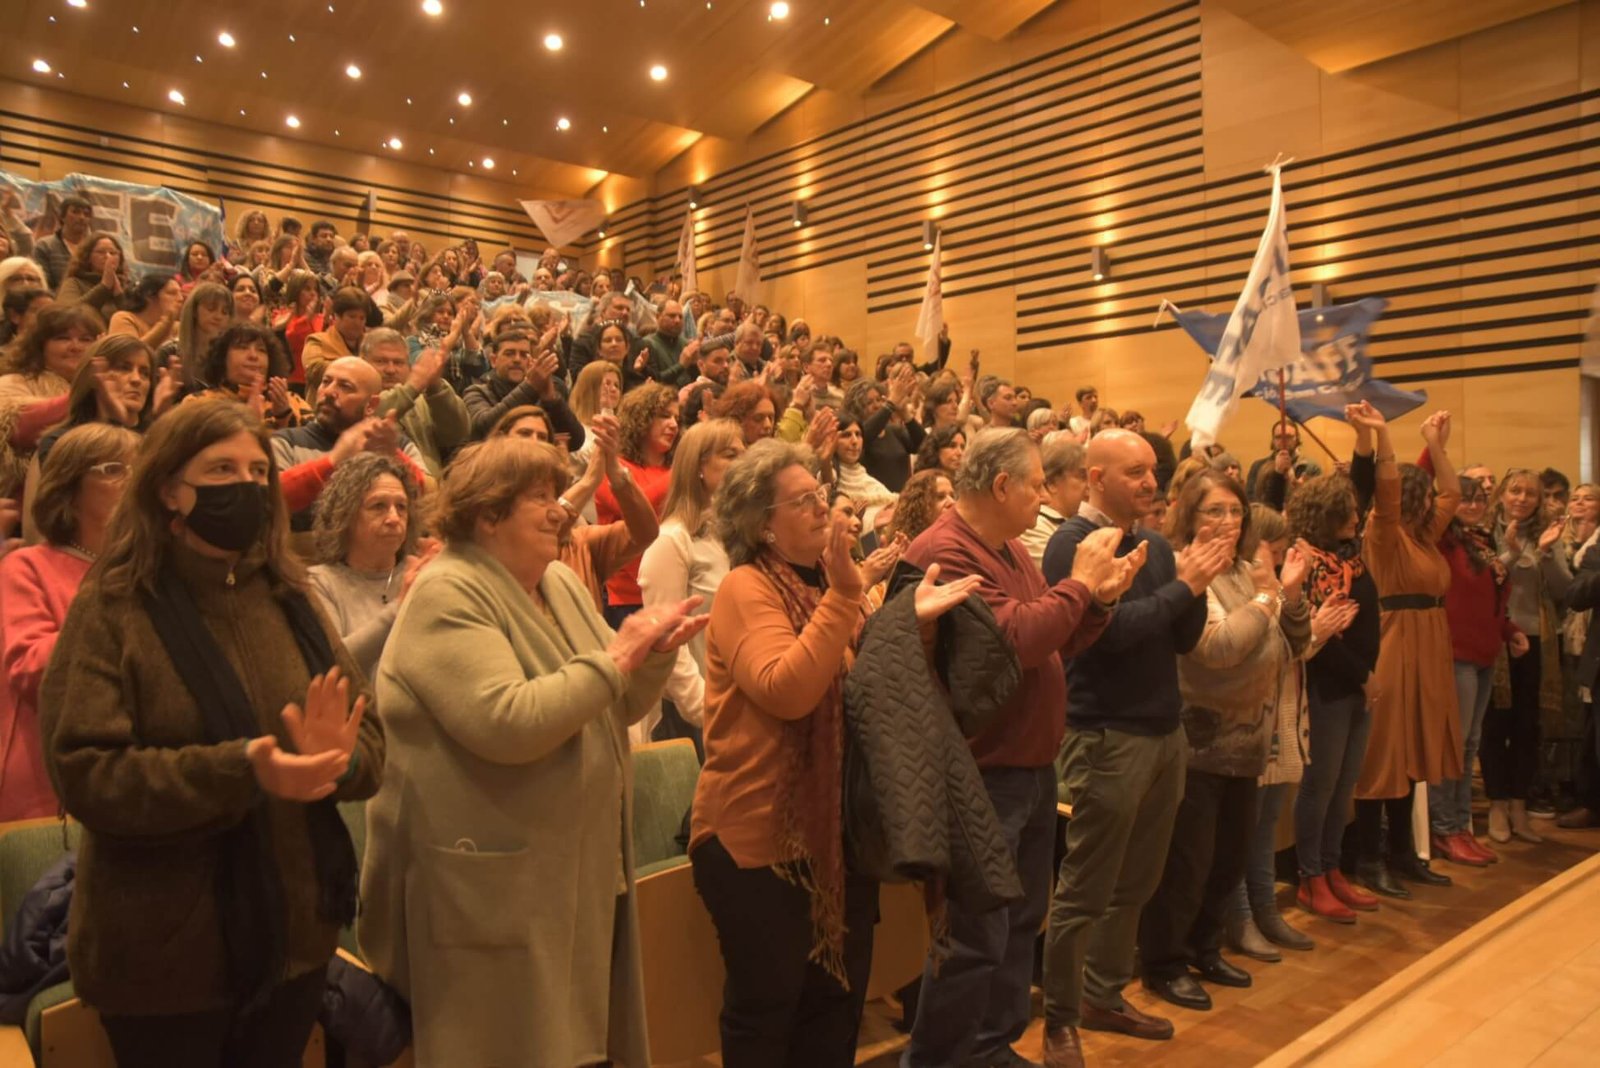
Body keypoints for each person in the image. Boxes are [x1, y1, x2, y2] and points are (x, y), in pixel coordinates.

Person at [39, 400, 382, 1066]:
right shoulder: (115, 602)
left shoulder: (290, 595)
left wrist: (335, 765)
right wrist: (245, 769)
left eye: (259, 470)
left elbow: (368, 739)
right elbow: (86, 771)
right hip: (165, 959)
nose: (248, 485)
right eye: (221, 467)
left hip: (295, 938)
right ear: (169, 487)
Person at [358, 435, 701, 1066]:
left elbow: (616, 701)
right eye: (539, 498)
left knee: (579, 1047)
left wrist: (651, 655)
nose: (560, 511)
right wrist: (620, 657)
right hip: (486, 887)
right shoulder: (447, 593)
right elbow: (508, 721)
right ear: (487, 515)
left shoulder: (559, 585)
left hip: (571, 873)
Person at [693, 437, 981, 1066]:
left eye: (821, 494)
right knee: (769, 1012)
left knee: (835, 1005)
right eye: (803, 501)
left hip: (831, 835)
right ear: (762, 525)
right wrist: (850, 597)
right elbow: (789, 690)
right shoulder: (746, 588)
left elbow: (867, 678)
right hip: (759, 840)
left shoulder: (825, 580)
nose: (823, 508)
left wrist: (908, 620)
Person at [904, 429, 1133, 1068]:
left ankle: (989, 1047)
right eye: (1036, 484)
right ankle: (939, 1060)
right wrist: (1081, 586)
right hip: (980, 773)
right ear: (1002, 486)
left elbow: (1050, 637)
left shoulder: (1005, 546)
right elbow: (1012, 643)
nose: (1044, 496)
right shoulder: (945, 553)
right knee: (974, 936)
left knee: (1018, 923)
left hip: (1025, 767)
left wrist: (1096, 603)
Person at [1039, 429, 1230, 1065]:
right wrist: (1184, 585)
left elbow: (1180, 637)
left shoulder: (1150, 542)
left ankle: (1103, 992)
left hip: (1161, 729)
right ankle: (1060, 1019)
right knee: (1086, 885)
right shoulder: (1072, 543)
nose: (1152, 483)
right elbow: (1111, 634)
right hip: (1105, 734)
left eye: (1153, 471)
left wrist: (1195, 578)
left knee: (1138, 883)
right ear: (1095, 478)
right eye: (1135, 473)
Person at [1135, 470, 1312, 1011]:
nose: (1228, 522)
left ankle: (1205, 948)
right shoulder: (1187, 569)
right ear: (1189, 514)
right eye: (1214, 511)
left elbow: (1294, 642)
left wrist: (1289, 594)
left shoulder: (1244, 568)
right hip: (1199, 738)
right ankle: (1164, 963)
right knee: (1187, 864)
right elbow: (1219, 646)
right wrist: (1267, 597)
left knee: (1227, 860)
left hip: (1250, 738)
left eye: (1235, 512)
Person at [1348, 404, 1463, 895]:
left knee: (1414, 750)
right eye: (1424, 498)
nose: (1432, 504)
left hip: (1430, 647)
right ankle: (1369, 860)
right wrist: (1385, 438)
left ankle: (1404, 855)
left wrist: (1435, 444)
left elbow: (1454, 493)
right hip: (1393, 646)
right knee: (1384, 754)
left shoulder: (1424, 538)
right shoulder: (1385, 537)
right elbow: (1388, 497)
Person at [0, 423, 137, 820]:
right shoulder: (26, 567)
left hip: (131, 778)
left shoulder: (151, 574)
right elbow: (33, 671)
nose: (132, 480)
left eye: (139, 468)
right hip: (48, 788)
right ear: (69, 490)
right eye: (114, 469)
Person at [1429, 473, 1522, 865]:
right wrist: (1436, 444)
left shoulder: (1481, 542)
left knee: (1469, 746)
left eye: (1479, 499)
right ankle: (1443, 827)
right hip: (1455, 654)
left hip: (1485, 654)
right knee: (1454, 744)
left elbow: (1490, 601)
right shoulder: (1441, 540)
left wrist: (1511, 631)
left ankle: (1460, 824)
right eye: (1464, 500)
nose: (1472, 506)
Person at [637, 419, 746, 743]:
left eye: (745, 453)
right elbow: (668, 637)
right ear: (699, 466)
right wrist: (704, 708)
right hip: (695, 716)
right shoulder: (672, 540)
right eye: (730, 455)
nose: (744, 463)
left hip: (739, 703)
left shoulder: (733, 537)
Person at [1483, 465, 1572, 842]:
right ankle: (1497, 805)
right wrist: (1509, 551)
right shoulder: (1484, 532)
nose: (1521, 499)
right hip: (1494, 639)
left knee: (1526, 726)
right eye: (1515, 491)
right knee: (1494, 726)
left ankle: (1520, 805)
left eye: (1530, 494)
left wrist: (1548, 553)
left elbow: (1566, 590)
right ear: (1502, 494)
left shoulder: (1547, 535)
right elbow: (1478, 584)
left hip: (1537, 640)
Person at [307, 453, 432, 681]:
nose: (394, 518)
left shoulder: (423, 573)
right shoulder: (320, 582)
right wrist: (399, 607)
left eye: (402, 507)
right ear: (345, 516)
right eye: (378, 506)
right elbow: (333, 668)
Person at [272, 356, 431, 526]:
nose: (329, 392)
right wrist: (332, 461)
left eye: (345, 386)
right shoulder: (286, 442)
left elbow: (430, 500)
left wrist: (393, 456)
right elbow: (270, 501)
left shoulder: (396, 445)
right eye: (326, 382)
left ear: (371, 404)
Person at [595, 383, 678, 628]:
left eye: (676, 418)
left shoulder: (670, 470)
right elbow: (633, 505)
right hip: (626, 598)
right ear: (640, 420)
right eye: (664, 416)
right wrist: (682, 470)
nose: (673, 424)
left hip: (672, 591)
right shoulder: (611, 465)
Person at [0, 304, 101, 496]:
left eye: (85, 339)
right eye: (62, 338)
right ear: (40, 345)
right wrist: (88, 388)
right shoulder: (12, 382)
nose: (75, 346)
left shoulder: (112, 388)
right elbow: (18, 427)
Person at [364, 328, 470, 479]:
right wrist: (414, 385)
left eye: (399, 362)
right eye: (381, 361)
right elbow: (371, 411)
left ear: (409, 366)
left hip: (429, 492)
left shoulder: (422, 397)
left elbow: (458, 433)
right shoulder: (354, 393)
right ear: (362, 361)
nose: (390, 369)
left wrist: (435, 387)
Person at [462, 325, 581, 444]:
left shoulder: (541, 393)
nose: (517, 359)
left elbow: (575, 441)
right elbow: (483, 428)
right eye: (509, 354)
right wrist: (529, 387)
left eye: (524, 355)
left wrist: (552, 400)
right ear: (494, 361)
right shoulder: (476, 392)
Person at [186, 322, 314, 430]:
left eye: (261, 350)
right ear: (222, 358)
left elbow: (315, 447)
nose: (253, 355)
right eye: (242, 347)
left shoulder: (293, 401)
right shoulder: (199, 403)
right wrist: (248, 422)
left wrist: (284, 416)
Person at [847, 372, 923, 493]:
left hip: (901, 500)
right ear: (856, 406)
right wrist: (891, 403)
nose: (876, 405)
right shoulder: (856, 435)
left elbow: (923, 445)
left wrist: (905, 414)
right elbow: (867, 434)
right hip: (875, 501)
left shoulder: (893, 430)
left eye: (878, 400)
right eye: (869, 402)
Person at [1020, 435, 1085, 569]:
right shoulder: (1035, 525)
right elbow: (1063, 576)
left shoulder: (1080, 519)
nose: (1090, 485)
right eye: (1082, 477)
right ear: (1051, 483)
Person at [160, 281, 233, 394]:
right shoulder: (169, 352)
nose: (218, 316)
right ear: (194, 311)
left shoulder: (226, 357)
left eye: (225, 312)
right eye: (211, 308)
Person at [300, 287, 371, 396]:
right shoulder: (317, 341)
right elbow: (314, 370)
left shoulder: (371, 343)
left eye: (362, 318)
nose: (358, 322)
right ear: (336, 316)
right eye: (352, 317)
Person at [55, 231, 129, 324]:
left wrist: (119, 296)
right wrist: (104, 287)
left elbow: (134, 320)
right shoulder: (74, 283)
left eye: (113, 253)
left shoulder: (128, 286)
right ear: (88, 257)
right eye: (101, 252)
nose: (108, 256)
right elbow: (65, 314)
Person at [31, 195, 93, 292]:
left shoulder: (95, 248)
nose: (82, 217)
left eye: (86, 214)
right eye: (75, 212)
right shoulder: (45, 246)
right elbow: (43, 285)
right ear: (62, 216)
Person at [107, 273, 181, 349]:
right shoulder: (124, 318)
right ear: (150, 296)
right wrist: (165, 323)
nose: (180, 298)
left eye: (180, 293)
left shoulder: (177, 327)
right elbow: (130, 353)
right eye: (172, 293)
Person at [885, 468, 956, 545]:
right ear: (919, 505)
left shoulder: (959, 536)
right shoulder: (902, 544)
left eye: (952, 496)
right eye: (940, 497)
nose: (952, 502)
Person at [1246, 420, 1300, 500]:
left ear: (1297, 439)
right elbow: (1251, 500)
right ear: (1273, 440)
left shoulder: (1308, 467)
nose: (1283, 441)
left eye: (1288, 437)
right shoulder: (1258, 466)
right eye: (1278, 437)